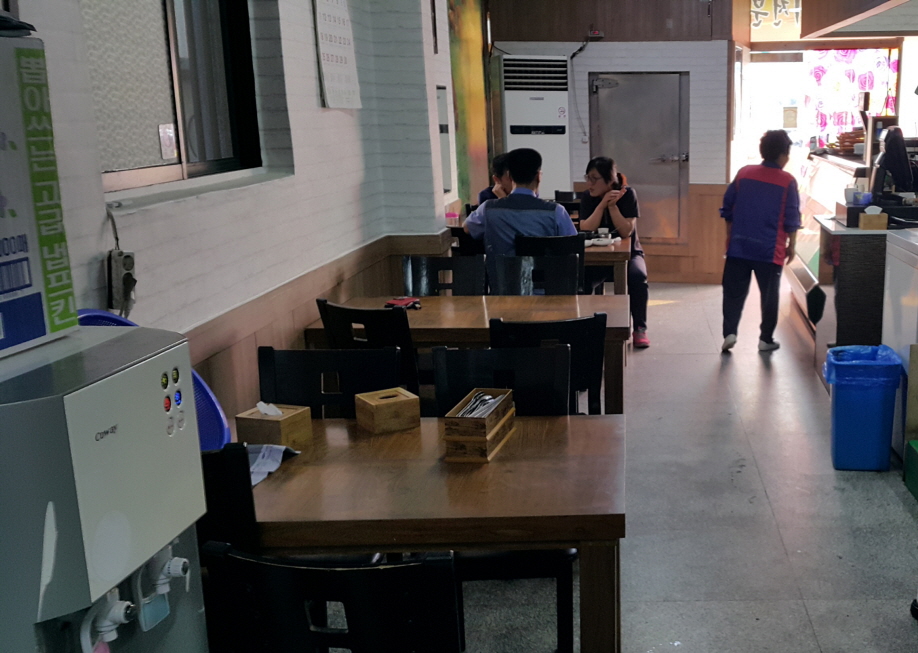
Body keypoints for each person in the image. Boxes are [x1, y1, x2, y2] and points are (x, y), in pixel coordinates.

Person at [720, 129, 800, 353]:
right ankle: (765, 339)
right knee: (769, 296)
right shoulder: (787, 181)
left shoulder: (744, 173)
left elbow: (727, 207)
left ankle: (730, 333)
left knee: (733, 292)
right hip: (769, 249)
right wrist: (792, 246)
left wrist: (730, 235)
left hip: (739, 245)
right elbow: (791, 218)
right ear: (783, 154)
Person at [465, 148, 577, 280]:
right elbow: (572, 246)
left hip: (503, 289)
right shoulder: (556, 212)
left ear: (509, 176)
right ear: (538, 176)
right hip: (547, 289)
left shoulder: (487, 209)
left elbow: (467, 228)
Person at [579, 156, 650, 348]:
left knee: (638, 277)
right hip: (597, 257)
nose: (590, 183)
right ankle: (584, 327)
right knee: (581, 279)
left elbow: (626, 231)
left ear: (610, 180)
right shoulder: (588, 197)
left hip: (629, 254)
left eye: (595, 179)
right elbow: (586, 227)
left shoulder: (628, 194)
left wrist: (612, 206)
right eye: (588, 178)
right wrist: (602, 204)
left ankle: (640, 328)